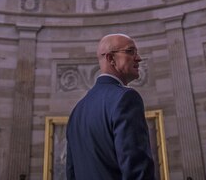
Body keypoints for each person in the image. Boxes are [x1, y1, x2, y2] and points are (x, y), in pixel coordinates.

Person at [66, 33, 155, 180]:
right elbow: (137, 170)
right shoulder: (126, 98)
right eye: (130, 51)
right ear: (110, 58)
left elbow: (71, 173)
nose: (138, 58)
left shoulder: (77, 111)